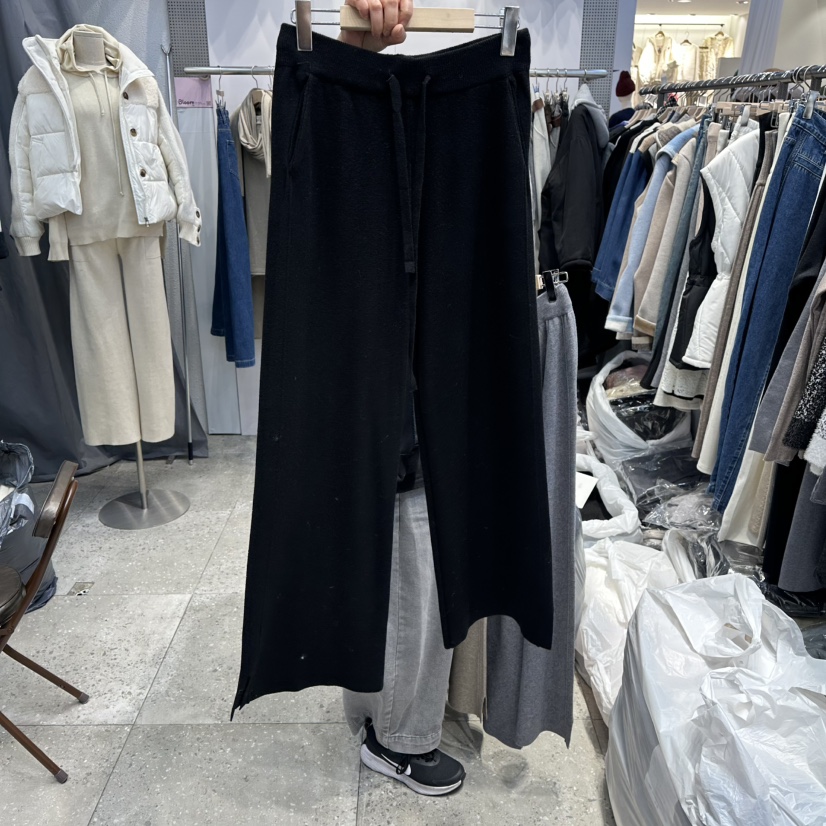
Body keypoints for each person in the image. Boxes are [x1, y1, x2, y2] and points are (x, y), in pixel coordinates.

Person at [336, 0, 467, 796]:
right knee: (417, 561)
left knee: (386, 553)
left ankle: (373, 710)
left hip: (370, 386)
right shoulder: (449, 136)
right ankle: (400, 739)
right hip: (408, 404)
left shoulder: (342, 138)